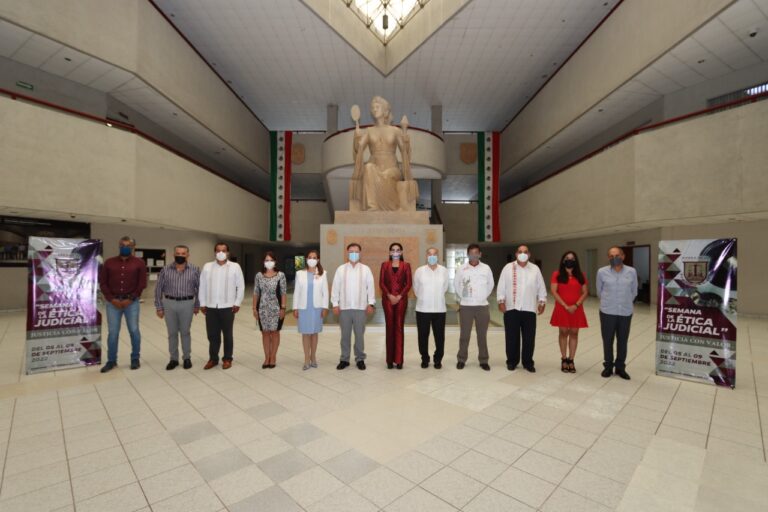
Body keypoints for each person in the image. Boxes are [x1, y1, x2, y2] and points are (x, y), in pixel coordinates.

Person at [350, 96, 418, 211]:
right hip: (374, 167)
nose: (374, 109)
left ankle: (393, 204)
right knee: (368, 167)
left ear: (385, 110)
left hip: (392, 168)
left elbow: (404, 151)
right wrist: (357, 137)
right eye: (373, 108)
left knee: (387, 174)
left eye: (377, 107)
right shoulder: (369, 130)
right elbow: (359, 149)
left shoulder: (395, 130)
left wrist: (405, 135)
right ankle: (373, 206)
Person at [99, 236, 147, 372]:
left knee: (134, 331)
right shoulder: (109, 262)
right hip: (112, 302)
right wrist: (111, 299)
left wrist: (130, 299)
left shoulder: (139, 263)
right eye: (122, 245)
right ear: (119, 245)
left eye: (128, 245)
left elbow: (142, 284)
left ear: (133, 247)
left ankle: (135, 358)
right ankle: (111, 361)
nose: (124, 247)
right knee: (113, 333)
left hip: (131, 302)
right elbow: (103, 283)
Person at [497, 245, 547, 372]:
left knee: (529, 338)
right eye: (520, 252)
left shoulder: (535, 269)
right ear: (516, 254)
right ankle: (512, 361)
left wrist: (542, 302)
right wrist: (501, 301)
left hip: (529, 308)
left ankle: (528, 362)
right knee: (511, 337)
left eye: (525, 252)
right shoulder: (508, 268)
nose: (522, 254)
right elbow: (501, 286)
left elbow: (541, 287)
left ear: (529, 255)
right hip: (511, 308)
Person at [154, 245, 200, 370]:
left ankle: (187, 358)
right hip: (169, 303)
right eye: (178, 253)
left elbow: (199, 289)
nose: (180, 255)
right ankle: (173, 359)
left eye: (183, 253)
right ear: (174, 255)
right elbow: (158, 289)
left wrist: (197, 305)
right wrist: (159, 307)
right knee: (172, 333)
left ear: (187, 255)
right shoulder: (165, 270)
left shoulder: (195, 270)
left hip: (187, 303)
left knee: (185, 332)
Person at [199, 243, 244, 370]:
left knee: (228, 335)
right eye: (218, 250)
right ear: (214, 252)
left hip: (228, 307)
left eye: (223, 250)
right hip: (211, 307)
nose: (221, 253)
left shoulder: (235, 267)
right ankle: (213, 359)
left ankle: (227, 359)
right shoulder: (207, 267)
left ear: (228, 252)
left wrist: (237, 302)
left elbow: (240, 286)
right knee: (212, 335)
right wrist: (202, 303)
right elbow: (202, 286)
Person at [331, 243, 375, 370]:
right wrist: (335, 304)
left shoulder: (366, 269)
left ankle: (360, 358)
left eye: (356, 251)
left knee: (359, 335)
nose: (354, 254)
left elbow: (370, 288)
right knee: (345, 335)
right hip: (344, 308)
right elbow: (335, 288)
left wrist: (370, 303)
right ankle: (344, 359)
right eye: (351, 251)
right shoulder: (341, 269)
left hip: (361, 308)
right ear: (347, 253)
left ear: (360, 253)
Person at [596, 246, 638, 380]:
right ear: (608, 258)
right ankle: (608, 366)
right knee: (607, 340)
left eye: (617, 255)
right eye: (611, 256)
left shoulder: (631, 271)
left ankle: (620, 367)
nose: (615, 258)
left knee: (622, 341)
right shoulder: (602, 272)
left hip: (625, 312)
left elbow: (634, 291)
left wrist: (625, 302)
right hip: (607, 311)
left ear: (623, 256)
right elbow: (599, 291)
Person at [454, 243, 495, 371]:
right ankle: (461, 359)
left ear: (480, 254)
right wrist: (465, 297)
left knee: (482, 335)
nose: (474, 255)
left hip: (482, 306)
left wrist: (482, 297)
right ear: (468, 255)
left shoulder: (486, 268)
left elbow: (490, 285)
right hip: (466, 306)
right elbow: (457, 285)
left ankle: (483, 360)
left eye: (476, 253)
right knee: (464, 335)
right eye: (471, 253)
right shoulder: (461, 268)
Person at [549, 251, 588, 373]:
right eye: (567, 258)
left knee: (574, 333)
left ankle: (571, 360)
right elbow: (554, 291)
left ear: (575, 261)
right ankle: (564, 359)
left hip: (576, 309)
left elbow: (585, 292)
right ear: (563, 260)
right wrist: (565, 306)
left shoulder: (581, 275)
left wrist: (576, 305)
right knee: (563, 332)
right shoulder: (557, 274)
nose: (569, 260)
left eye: (572, 258)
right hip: (562, 308)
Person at [413, 247, 449, 369]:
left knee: (439, 337)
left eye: (434, 254)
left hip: (439, 309)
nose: (432, 256)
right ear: (426, 256)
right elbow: (416, 289)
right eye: (429, 253)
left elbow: (445, 287)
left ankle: (438, 359)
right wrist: (424, 298)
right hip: (423, 309)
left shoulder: (444, 271)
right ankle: (425, 358)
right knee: (423, 336)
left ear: (438, 256)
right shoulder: (419, 271)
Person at [293, 249, 329, 370]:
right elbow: (296, 292)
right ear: (306, 259)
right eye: (310, 257)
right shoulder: (300, 274)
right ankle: (306, 359)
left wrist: (325, 307)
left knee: (314, 333)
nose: (312, 259)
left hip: (317, 307)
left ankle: (313, 357)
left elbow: (325, 292)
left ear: (318, 260)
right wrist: (295, 307)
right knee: (306, 333)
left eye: (314, 257)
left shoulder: (323, 273)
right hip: (304, 308)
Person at [380, 242, 412, 369]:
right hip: (387, 299)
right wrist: (389, 295)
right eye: (393, 250)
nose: (395, 252)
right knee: (389, 328)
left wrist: (399, 296)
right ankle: (389, 360)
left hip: (401, 300)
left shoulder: (406, 265)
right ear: (389, 252)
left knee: (399, 328)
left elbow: (408, 283)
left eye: (398, 250)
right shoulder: (384, 265)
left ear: (401, 252)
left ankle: (399, 360)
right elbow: (381, 283)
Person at [253, 252, 287, 369]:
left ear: (275, 261)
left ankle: (273, 357)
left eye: (271, 260)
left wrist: (283, 308)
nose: (269, 262)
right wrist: (254, 308)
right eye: (266, 260)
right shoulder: (259, 275)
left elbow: (283, 292)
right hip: (262, 309)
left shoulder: (280, 275)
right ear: (263, 262)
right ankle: (266, 357)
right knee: (265, 333)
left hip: (276, 308)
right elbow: (256, 292)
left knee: (275, 332)